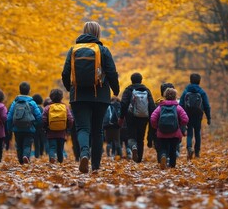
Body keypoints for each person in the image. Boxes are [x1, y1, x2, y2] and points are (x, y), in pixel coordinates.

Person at [62, 21, 120, 173]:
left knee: (82, 128)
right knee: (97, 130)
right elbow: (112, 72)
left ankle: (84, 154)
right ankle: (95, 166)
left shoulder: (73, 50)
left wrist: (70, 89)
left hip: (79, 96)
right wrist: (115, 89)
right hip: (100, 95)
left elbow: (65, 73)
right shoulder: (103, 50)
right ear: (97, 33)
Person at [119, 72, 156, 163]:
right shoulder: (146, 90)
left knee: (131, 136)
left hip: (131, 117)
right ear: (141, 80)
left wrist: (121, 117)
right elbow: (151, 105)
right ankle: (139, 159)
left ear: (132, 80)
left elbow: (123, 104)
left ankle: (133, 147)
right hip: (144, 117)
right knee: (141, 138)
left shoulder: (128, 90)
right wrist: (152, 118)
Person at [150, 88, 188, 169]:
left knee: (163, 148)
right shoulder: (178, 107)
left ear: (165, 96)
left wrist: (157, 127)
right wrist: (179, 125)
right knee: (173, 150)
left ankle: (163, 156)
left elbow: (153, 118)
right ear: (175, 96)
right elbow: (185, 119)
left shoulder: (160, 107)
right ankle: (172, 165)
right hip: (175, 133)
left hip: (162, 132)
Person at [7, 82, 42, 164]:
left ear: (19, 91)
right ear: (29, 91)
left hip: (17, 128)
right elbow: (38, 116)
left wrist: (9, 128)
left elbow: (9, 117)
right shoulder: (32, 103)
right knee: (27, 145)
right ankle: (25, 156)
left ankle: (21, 162)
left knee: (19, 146)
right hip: (29, 128)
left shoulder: (15, 102)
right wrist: (37, 125)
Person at [179, 73, 211, 159]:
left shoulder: (186, 91)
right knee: (197, 133)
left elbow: (181, 104)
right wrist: (208, 117)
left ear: (190, 80)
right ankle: (197, 152)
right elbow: (207, 106)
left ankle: (189, 148)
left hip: (188, 115)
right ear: (199, 81)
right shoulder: (201, 92)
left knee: (189, 132)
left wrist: (181, 117)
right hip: (198, 115)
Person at [42, 89, 74, 163]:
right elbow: (70, 119)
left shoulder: (47, 107)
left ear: (51, 97)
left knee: (52, 148)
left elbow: (43, 119)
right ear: (61, 97)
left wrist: (45, 127)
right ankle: (60, 162)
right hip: (62, 132)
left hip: (51, 132)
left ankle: (52, 158)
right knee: (60, 149)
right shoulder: (65, 107)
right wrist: (68, 128)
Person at [32, 93, 46, 158]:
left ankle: (36, 155)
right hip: (42, 128)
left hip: (34, 127)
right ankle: (41, 154)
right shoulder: (42, 108)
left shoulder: (33, 108)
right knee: (42, 141)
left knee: (36, 142)